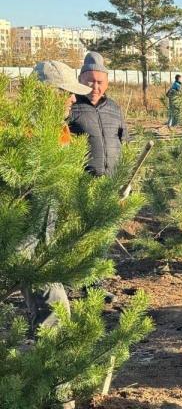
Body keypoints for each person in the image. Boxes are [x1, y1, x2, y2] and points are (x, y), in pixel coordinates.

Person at [22, 61, 92, 331]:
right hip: (25, 245)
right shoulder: (23, 133)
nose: (73, 98)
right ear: (46, 94)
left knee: (55, 311)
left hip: (46, 240)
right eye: (66, 92)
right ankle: (51, 371)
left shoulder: (60, 131)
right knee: (55, 312)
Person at [69, 51, 129, 177]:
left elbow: (125, 142)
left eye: (100, 82)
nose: (95, 87)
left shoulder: (114, 108)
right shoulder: (71, 107)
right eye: (90, 81)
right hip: (83, 185)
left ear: (107, 83)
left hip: (112, 183)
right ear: (80, 80)